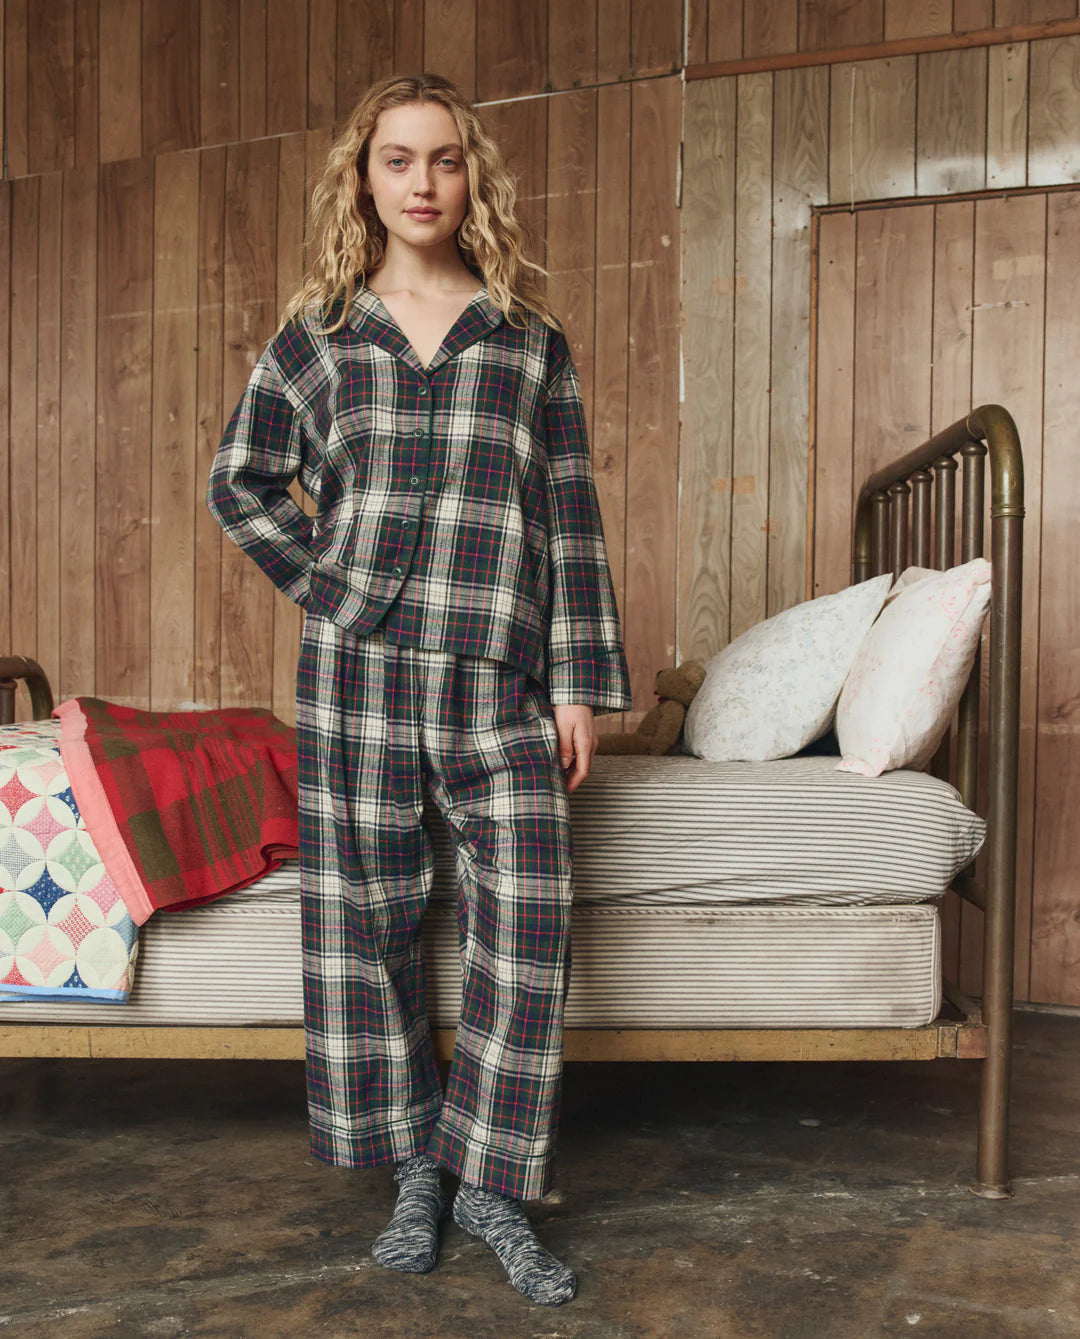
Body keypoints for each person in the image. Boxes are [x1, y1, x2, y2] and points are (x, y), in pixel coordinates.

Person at [206, 71, 631, 1308]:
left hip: (499, 677)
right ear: (366, 179)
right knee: (365, 925)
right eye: (399, 160)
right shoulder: (322, 334)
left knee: (529, 918)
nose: (424, 183)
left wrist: (576, 684)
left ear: (471, 178)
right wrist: (343, 585)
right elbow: (241, 480)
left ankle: (489, 1173)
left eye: (445, 160)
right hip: (360, 679)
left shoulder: (528, 342)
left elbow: (571, 523)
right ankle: (411, 1169)